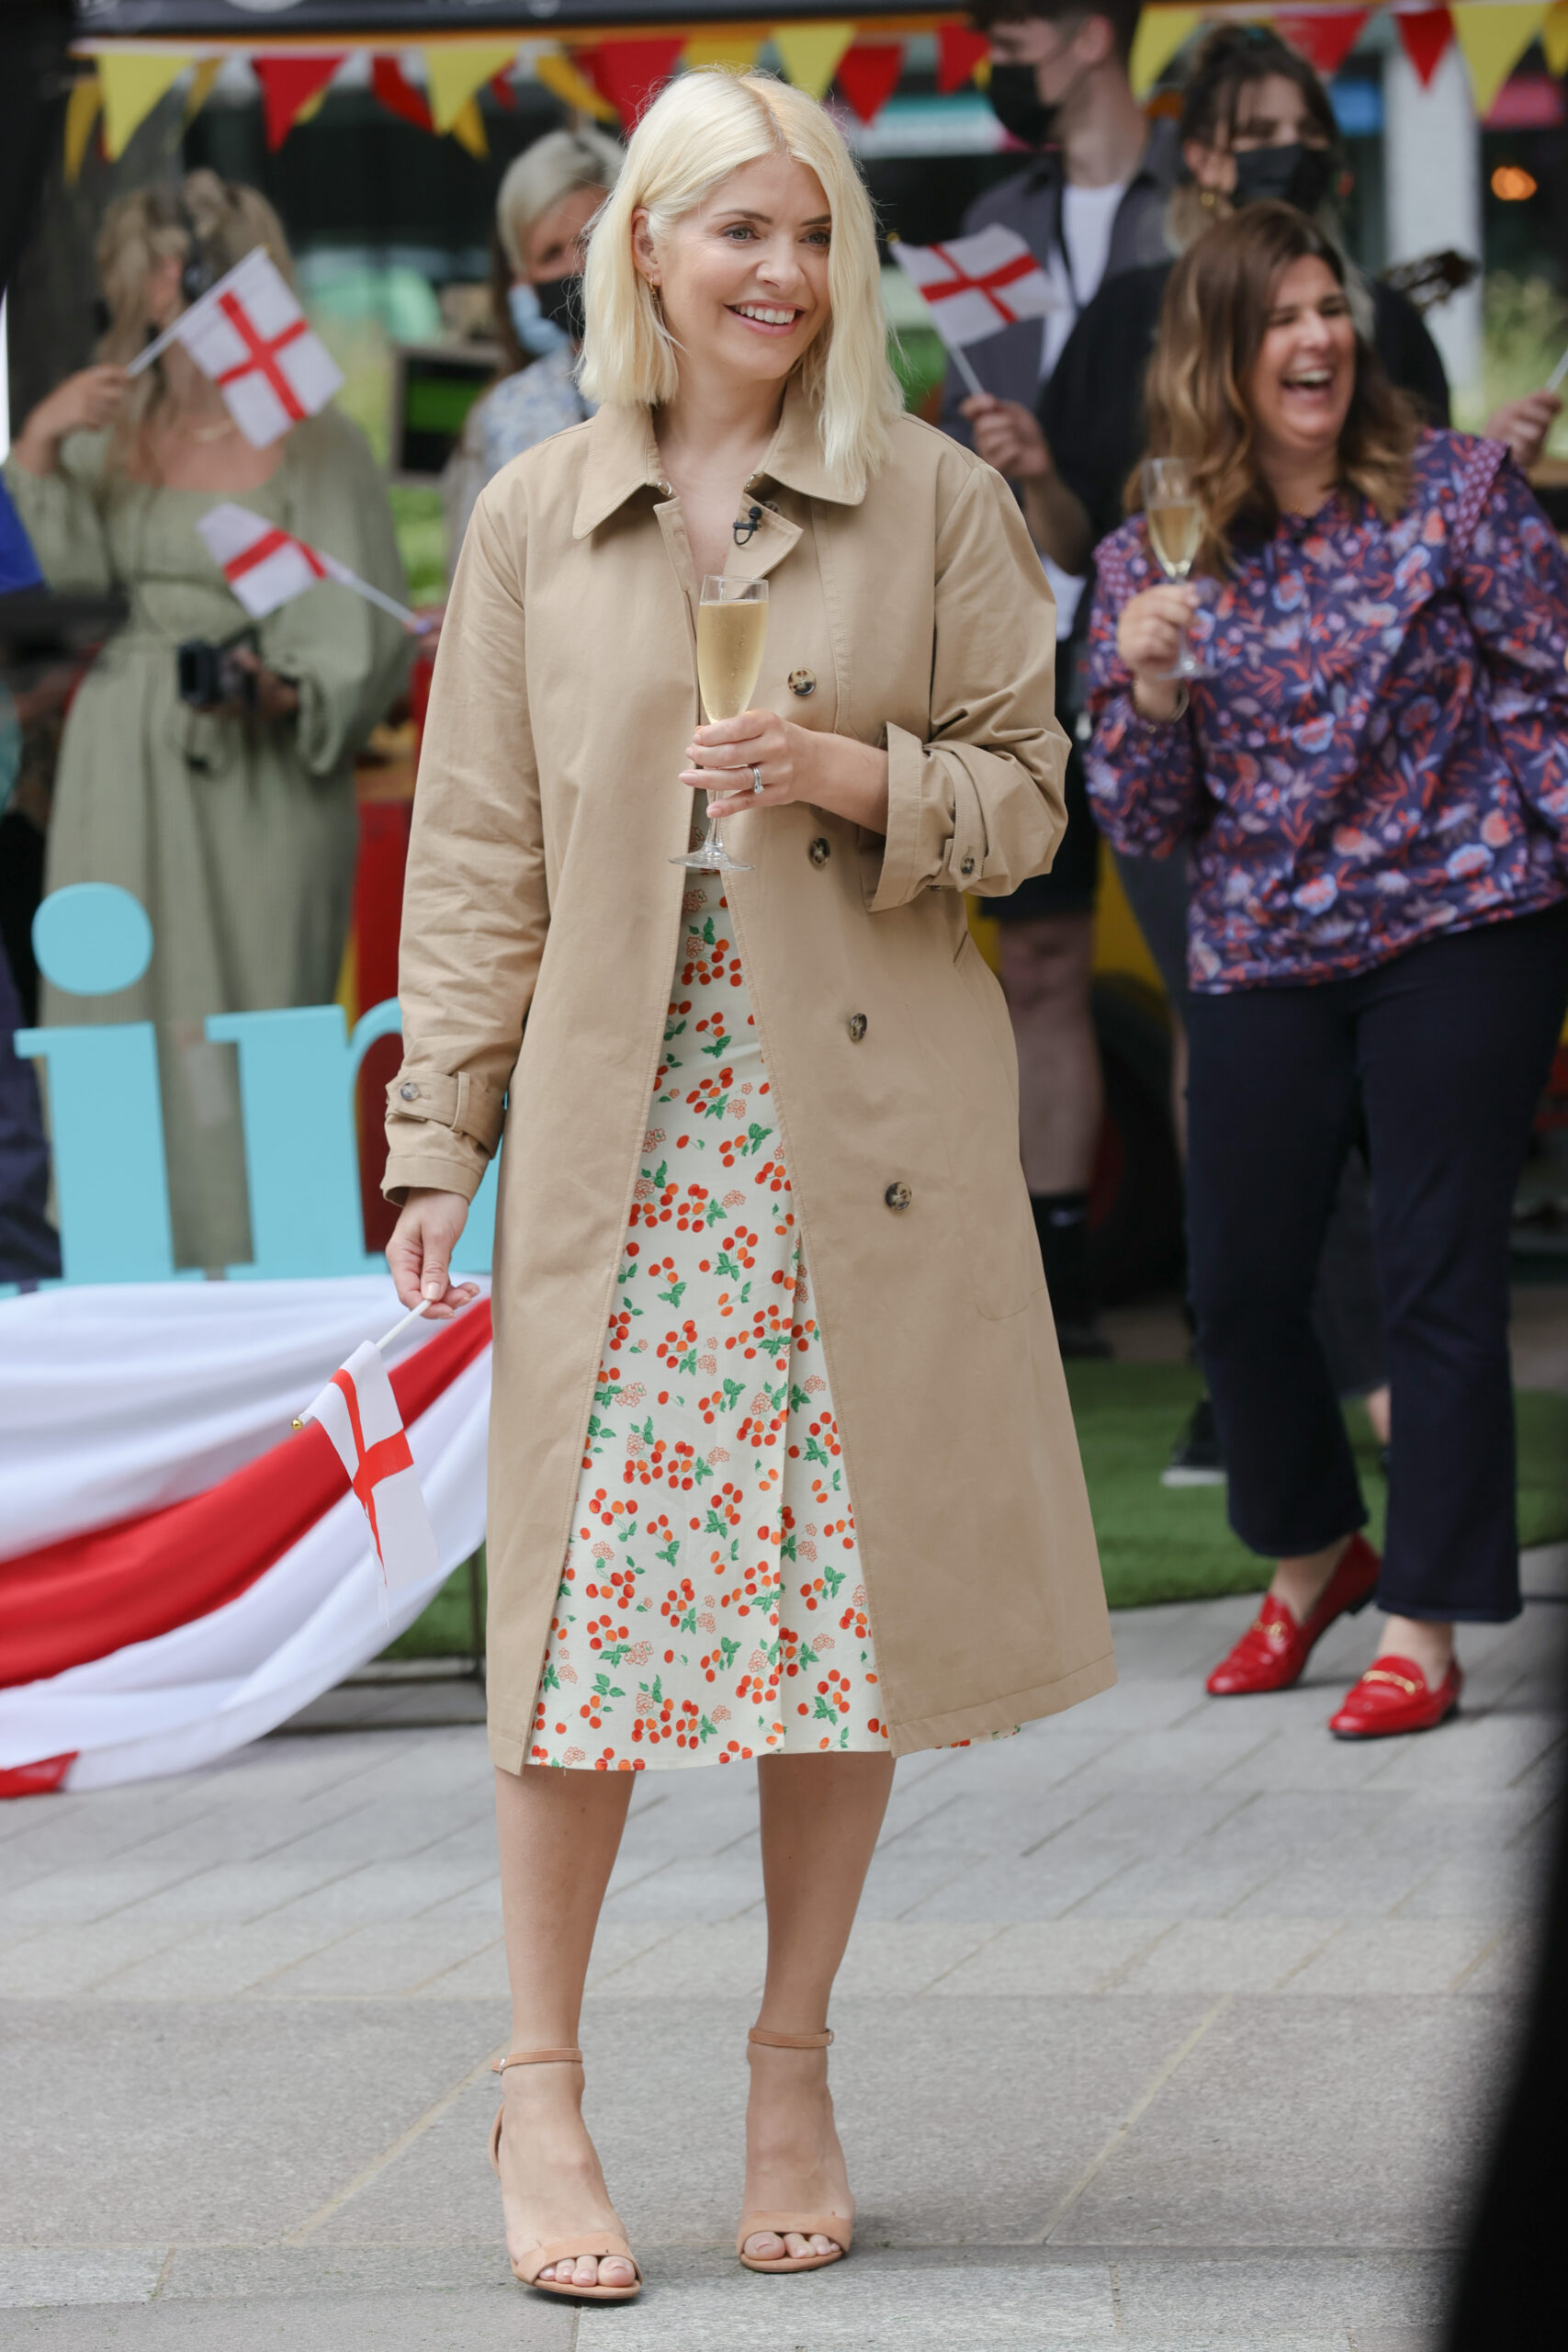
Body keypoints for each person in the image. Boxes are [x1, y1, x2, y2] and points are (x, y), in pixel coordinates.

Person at [381, 66, 1112, 2301]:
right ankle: (539, 2085)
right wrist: (440, 1136)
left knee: (828, 1619)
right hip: (626, 1136)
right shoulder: (529, 510)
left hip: (857, 1143)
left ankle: (788, 2056)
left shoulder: (924, 499)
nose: (783, 276)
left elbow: (1033, 800)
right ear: (642, 252)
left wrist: (846, 772)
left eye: (812, 238)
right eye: (737, 236)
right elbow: (477, 850)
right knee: (576, 1635)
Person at [998, 22, 1552, 1475]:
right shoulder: (1125, 317)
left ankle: (1373, 1388)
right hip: (1214, 804)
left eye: (1298, 128)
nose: (1274, 152)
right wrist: (1060, 512)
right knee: (1239, 1096)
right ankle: (1264, 1405)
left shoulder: (1376, 327)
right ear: (1196, 153)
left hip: (1423, 846)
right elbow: (1075, 555)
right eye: (1247, 131)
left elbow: (1450, 551)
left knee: (1400, 1140)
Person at [1086, 201, 1568, 1738]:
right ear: (1216, 361)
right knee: (1235, 1289)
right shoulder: (1140, 559)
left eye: (1325, 310)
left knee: (1434, 1273)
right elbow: (1142, 817)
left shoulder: (1458, 493)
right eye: (1278, 318)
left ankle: (1418, 1622)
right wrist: (1148, 692)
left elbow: (1552, 699)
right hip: (1259, 951)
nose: (1315, 339)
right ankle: (1313, 1555)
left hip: (1460, 926)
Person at [5, 171, 408, 1269]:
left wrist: (281, 685)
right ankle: (116, 1268)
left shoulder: (317, 445)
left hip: (260, 775)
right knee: (109, 1015)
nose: (176, 322)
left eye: (199, 291)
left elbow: (357, 618)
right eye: (155, 300)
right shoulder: (103, 435)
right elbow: (49, 596)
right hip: (113, 770)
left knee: (255, 1023)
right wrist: (36, 449)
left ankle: (268, 1276)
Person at [942, 0, 1181, 1353]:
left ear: (1090, 31)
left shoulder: (1188, 202)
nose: (998, 48)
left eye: (1014, 22)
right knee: (1033, 958)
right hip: (1022, 637)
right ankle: (1062, 1289)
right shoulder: (993, 214)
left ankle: (1240, 1291)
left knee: (1209, 962)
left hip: (1169, 630)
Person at [443, 126, 623, 571]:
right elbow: (481, 582)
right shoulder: (507, 414)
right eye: (549, 254)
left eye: (589, 238)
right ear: (521, 276)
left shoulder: (706, 379)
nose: (577, 266)